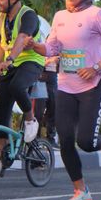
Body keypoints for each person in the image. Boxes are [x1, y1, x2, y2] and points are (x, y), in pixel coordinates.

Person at [25, 0, 101, 200]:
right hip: (65, 87)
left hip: (92, 86)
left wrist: (96, 67)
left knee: (87, 142)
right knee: (66, 140)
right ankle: (81, 191)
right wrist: (33, 45)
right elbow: (51, 48)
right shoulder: (59, 16)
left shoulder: (96, 15)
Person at [0, 0, 45, 179]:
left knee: (17, 87)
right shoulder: (1, 18)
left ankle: (30, 120)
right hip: (9, 64)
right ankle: (1, 158)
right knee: (1, 109)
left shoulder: (28, 15)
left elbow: (21, 38)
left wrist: (10, 59)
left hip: (30, 61)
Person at [33, 15, 59, 147]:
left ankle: (51, 137)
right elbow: (37, 63)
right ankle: (35, 137)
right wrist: (49, 60)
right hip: (41, 78)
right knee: (38, 110)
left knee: (53, 108)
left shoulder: (59, 50)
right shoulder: (41, 47)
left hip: (53, 79)